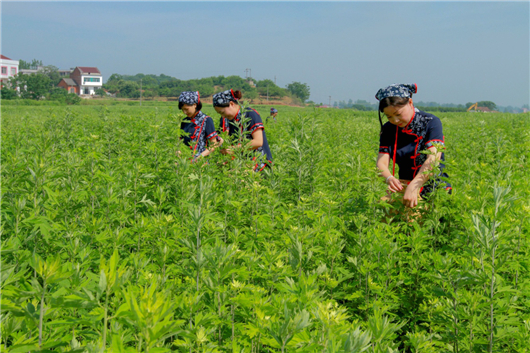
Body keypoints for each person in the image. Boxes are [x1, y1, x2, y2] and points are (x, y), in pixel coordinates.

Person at [375, 83, 451, 209]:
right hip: (405, 188)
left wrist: (415, 185)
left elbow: (433, 159)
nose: (395, 120)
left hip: (434, 190)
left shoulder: (431, 122)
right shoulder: (388, 129)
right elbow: (381, 163)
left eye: (398, 114)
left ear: (410, 102)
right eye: (389, 116)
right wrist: (389, 178)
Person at [213, 89, 273, 171]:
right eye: (220, 114)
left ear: (231, 104)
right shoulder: (227, 120)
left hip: (259, 163)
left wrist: (234, 149)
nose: (222, 116)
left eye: (222, 112)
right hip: (241, 163)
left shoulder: (250, 114)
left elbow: (258, 142)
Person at [178, 91, 222, 162]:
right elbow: (180, 142)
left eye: (186, 109)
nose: (184, 112)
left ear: (195, 105)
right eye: (182, 110)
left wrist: (201, 156)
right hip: (184, 161)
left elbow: (214, 143)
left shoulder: (206, 120)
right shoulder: (184, 121)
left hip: (200, 163)